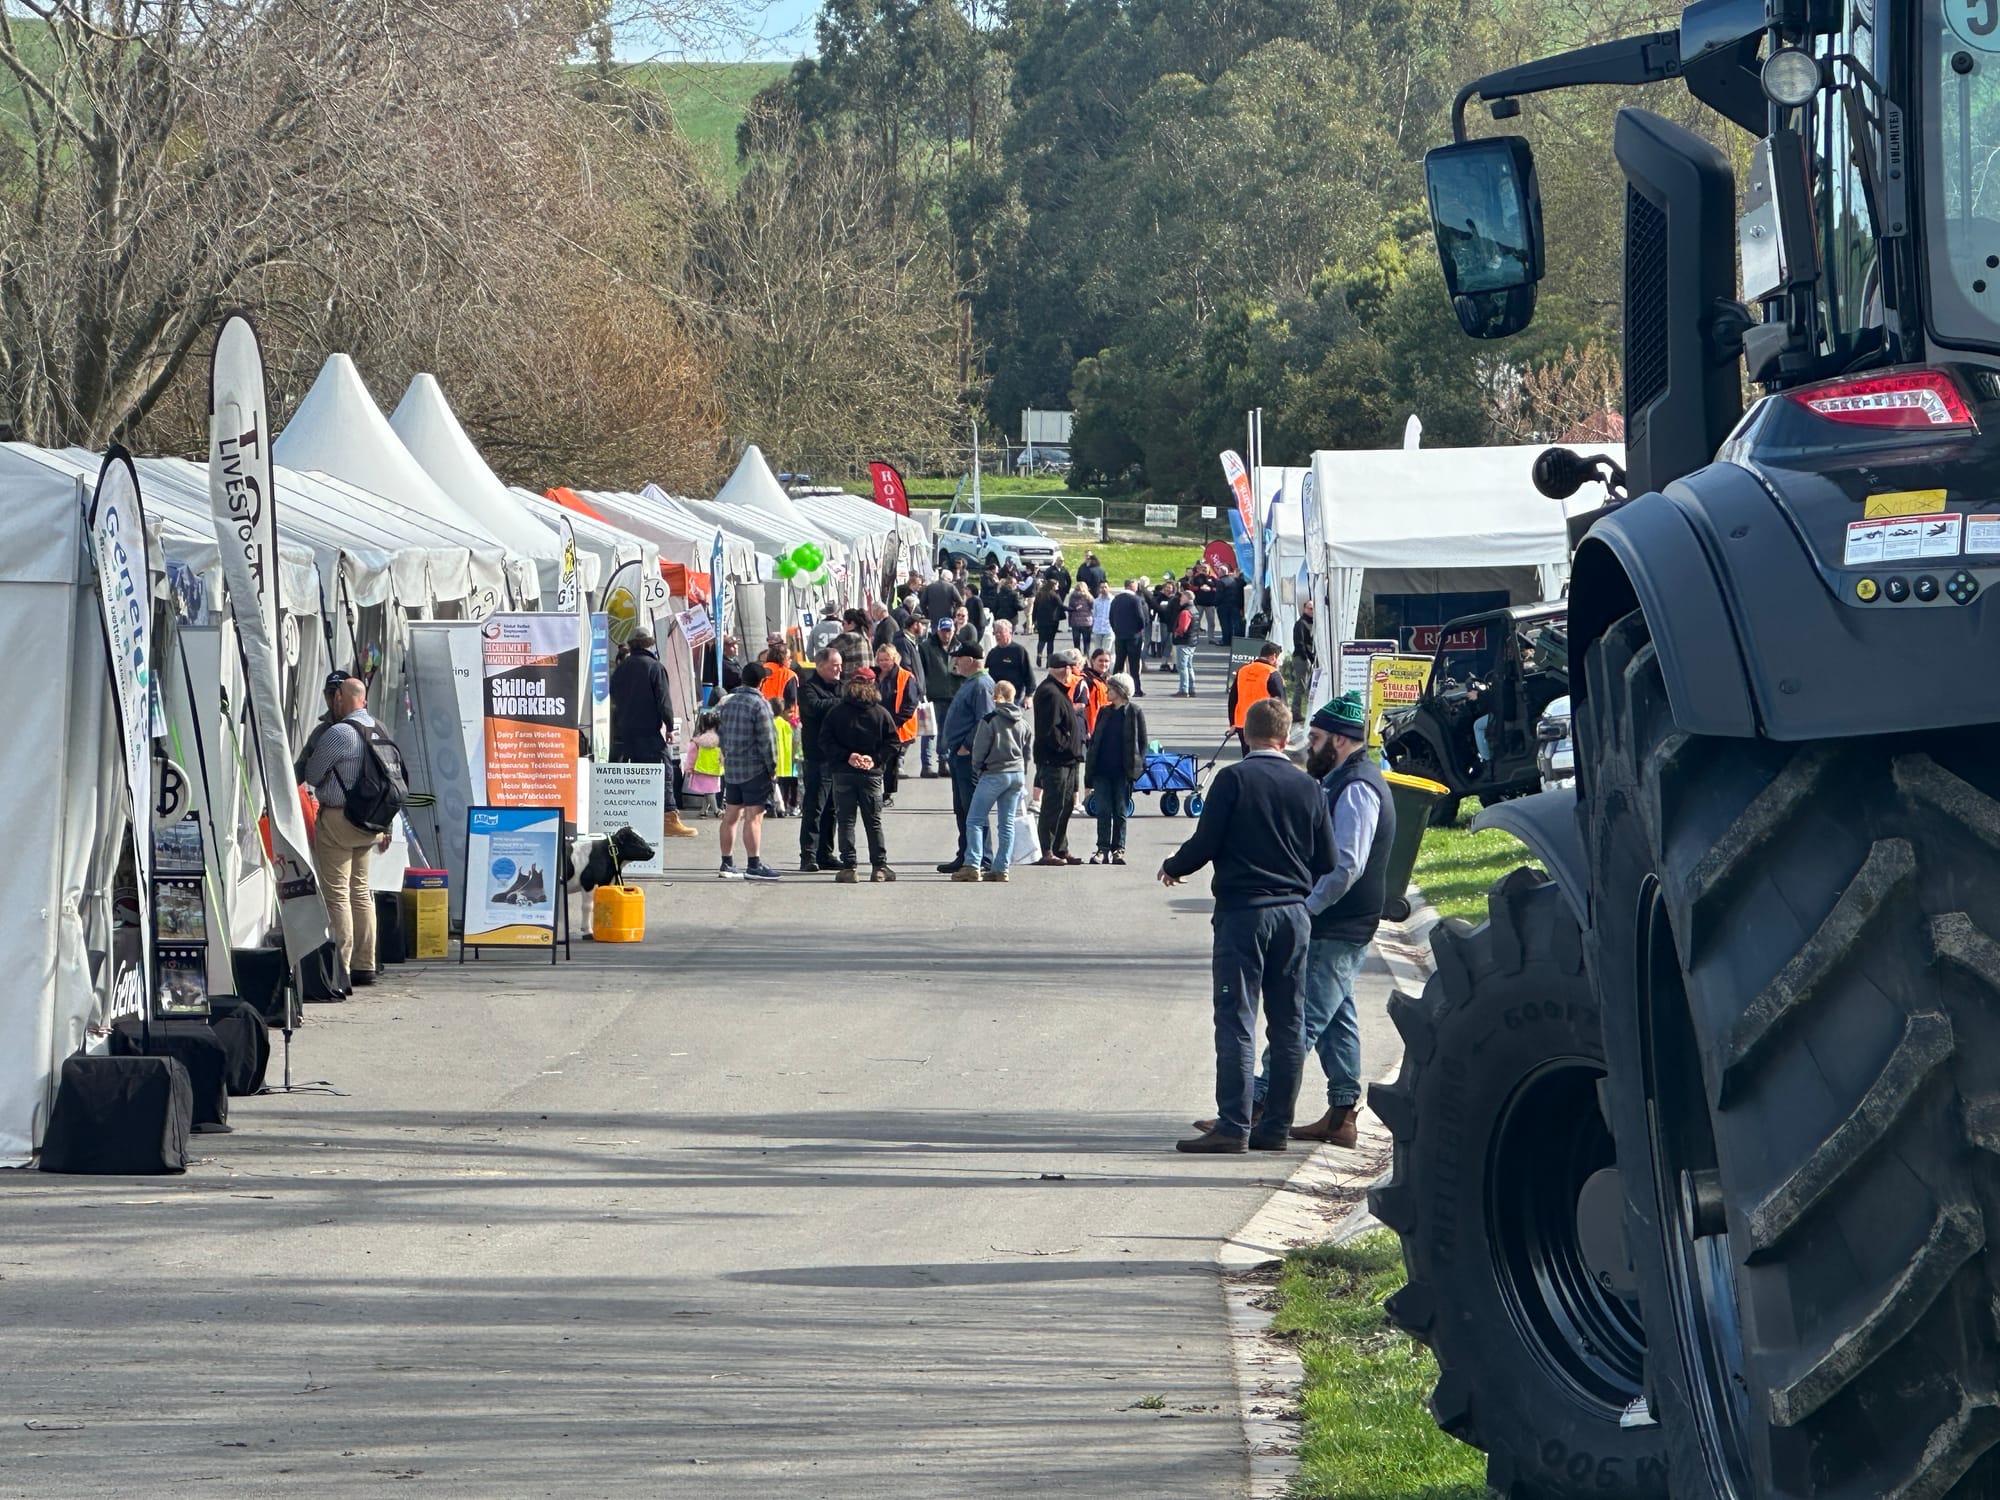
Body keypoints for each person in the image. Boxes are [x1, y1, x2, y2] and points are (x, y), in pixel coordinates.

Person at [1203, 693, 1395, 1147]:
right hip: (1337, 923)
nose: (1308, 745)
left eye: (1316, 737)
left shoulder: (1358, 787)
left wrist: (1305, 910)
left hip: (1336, 922)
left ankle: (1255, 1104)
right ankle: (1342, 1113)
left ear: (1342, 741)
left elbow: (1345, 864)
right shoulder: (1341, 778)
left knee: (1302, 1019)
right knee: (1336, 1017)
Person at [1159, 698, 1335, 1152]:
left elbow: (1207, 840)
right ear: (1286, 736)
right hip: (1294, 914)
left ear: (1246, 735)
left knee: (1237, 1016)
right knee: (1288, 1021)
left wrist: (1174, 866)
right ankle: (1275, 1127)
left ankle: (1233, 1126)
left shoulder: (1233, 779)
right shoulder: (1309, 787)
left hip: (1244, 913)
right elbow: (1328, 859)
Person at [303, 675, 393, 987]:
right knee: (361, 892)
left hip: (339, 821)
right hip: (370, 823)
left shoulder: (340, 732)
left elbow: (312, 775)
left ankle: (340, 966)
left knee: (337, 894)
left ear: (341, 697)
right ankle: (365, 964)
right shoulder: (379, 729)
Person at [608, 629, 698, 839]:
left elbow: (612, 696)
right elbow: (664, 701)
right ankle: (669, 818)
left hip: (623, 731)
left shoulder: (621, 670)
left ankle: (638, 817)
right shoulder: (655, 667)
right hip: (648, 730)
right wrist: (669, 726)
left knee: (635, 775)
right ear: (649, 645)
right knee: (664, 770)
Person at [821, 666, 900, 881]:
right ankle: (880, 867)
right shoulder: (880, 713)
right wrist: (874, 758)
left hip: (843, 772)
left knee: (846, 820)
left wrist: (846, 756)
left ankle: (849, 867)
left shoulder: (836, 712)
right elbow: (893, 742)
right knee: (873, 821)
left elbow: (825, 741)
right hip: (871, 774)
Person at [956, 680, 1030, 883]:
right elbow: (1027, 751)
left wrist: (977, 768)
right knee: (1006, 824)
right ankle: (1001, 868)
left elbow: (979, 749)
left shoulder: (990, 720)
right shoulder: (1023, 722)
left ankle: (972, 864)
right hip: (1017, 774)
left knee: (975, 820)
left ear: (994, 696)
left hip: (994, 773)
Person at [715, 661, 780, 879]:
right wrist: (772, 767)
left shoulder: (728, 703)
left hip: (732, 767)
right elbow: (767, 740)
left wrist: (727, 756)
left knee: (731, 815)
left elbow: (721, 735)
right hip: (754, 769)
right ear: (761, 682)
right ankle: (754, 864)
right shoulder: (759, 704)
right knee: (754, 817)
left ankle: (727, 863)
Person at [937, 640, 996, 873]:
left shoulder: (981, 684)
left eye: (959, 658)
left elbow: (986, 720)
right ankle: (965, 854)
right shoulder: (972, 682)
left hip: (968, 757)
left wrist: (968, 746)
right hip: (959, 755)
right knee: (962, 808)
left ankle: (982, 858)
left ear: (970, 660)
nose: (956, 662)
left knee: (974, 808)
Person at [1032, 650, 1088, 866]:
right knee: (1053, 804)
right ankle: (1046, 849)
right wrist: (1065, 748)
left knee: (1066, 804)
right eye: (1070, 668)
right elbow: (1050, 730)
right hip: (1055, 759)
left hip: (1068, 759)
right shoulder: (1050, 692)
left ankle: (1060, 847)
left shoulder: (1058, 690)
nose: (1072, 672)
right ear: (1065, 669)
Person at [1086, 672, 1146, 864]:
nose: (1107, 691)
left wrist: (1136, 770)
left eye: (1110, 688)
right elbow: (1095, 739)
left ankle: (1118, 849)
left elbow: (1141, 743)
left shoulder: (1135, 712)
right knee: (1103, 810)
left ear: (1120, 691)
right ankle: (1101, 849)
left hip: (1123, 771)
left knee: (1120, 811)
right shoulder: (1105, 711)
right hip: (1102, 770)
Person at [797, 646, 845, 872]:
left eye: (840, 665)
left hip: (838, 758)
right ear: (821, 666)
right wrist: (841, 703)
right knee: (814, 807)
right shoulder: (808, 689)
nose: (839, 669)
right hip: (817, 757)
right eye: (835, 665)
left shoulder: (843, 687)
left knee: (832, 809)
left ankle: (826, 852)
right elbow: (815, 708)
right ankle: (808, 855)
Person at [874, 643, 919, 805]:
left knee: (890, 761)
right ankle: (873, 792)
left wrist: (895, 722)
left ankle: (888, 794)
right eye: (880, 660)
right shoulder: (873, 675)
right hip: (874, 724)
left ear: (894, 659)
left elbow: (911, 703)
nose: (883, 663)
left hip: (896, 726)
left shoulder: (906, 677)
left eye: (887, 659)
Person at [1229, 642, 1287, 751]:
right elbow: (1281, 704)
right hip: (1265, 726)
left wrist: (1232, 723)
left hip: (1243, 724)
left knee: (1247, 757)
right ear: (1273, 656)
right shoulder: (1272, 674)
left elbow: (1233, 699)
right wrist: (1284, 729)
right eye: (1278, 659)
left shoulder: (1243, 671)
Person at [919, 618, 958, 776]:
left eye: (949, 631)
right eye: (943, 631)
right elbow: (921, 671)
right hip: (933, 696)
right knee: (929, 731)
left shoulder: (958, 646)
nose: (946, 635)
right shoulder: (926, 647)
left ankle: (944, 762)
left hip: (952, 696)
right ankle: (926, 765)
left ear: (953, 631)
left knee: (947, 731)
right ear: (938, 631)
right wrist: (922, 693)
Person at [681, 710, 725, 817]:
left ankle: (710, 811)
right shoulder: (721, 741)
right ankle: (711, 811)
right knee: (709, 791)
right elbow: (724, 756)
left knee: (708, 791)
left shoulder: (697, 741)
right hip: (715, 770)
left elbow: (691, 756)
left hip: (701, 769)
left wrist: (689, 768)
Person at [1108, 579, 1148, 691]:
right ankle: (1136, 688)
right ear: (1131, 586)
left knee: (1119, 662)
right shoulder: (1135, 599)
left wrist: (1116, 630)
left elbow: (1111, 617)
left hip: (1120, 635)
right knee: (1133, 664)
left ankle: (1114, 687)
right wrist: (1140, 629)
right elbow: (1140, 617)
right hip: (1134, 635)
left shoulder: (1116, 599)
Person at [985, 619, 1034, 702]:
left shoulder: (1019, 651)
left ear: (1010, 633)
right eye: (996, 632)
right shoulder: (992, 653)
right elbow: (986, 674)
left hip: (1013, 697)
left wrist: (1028, 695)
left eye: (1000, 632)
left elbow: (1028, 674)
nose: (997, 635)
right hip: (995, 697)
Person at [1290, 600, 1317, 721]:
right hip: (1301, 657)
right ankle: (1295, 713)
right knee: (1300, 686)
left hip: (1310, 657)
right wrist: (1307, 658)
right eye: (1310, 608)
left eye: (1313, 609)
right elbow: (1300, 643)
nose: (1312, 611)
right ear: (1304, 609)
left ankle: (1306, 711)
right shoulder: (1301, 623)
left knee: (1308, 686)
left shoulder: (1313, 623)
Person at [1077, 647, 1112, 735]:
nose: (1104, 664)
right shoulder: (1086, 680)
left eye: (1106, 661)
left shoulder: (1106, 679)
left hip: (1104, 726)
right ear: (1092, 661)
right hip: (1090, 728)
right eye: (1100, 660)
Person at [1171, 588, 1199, 697]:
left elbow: (1183, 627)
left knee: (1182, 667)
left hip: (1184, 641)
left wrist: (1177, 633)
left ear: (1187, 598)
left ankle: (1184, 689)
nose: (1180, 599)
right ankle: (1192, 688)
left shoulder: (1185, 612)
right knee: (1189, 666)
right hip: (1192, 641)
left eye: (1182, 597)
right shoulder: (1194, 609)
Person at [1031, 580, 1064, 666]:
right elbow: (1061, 606)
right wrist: (1074, 609)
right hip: (1052, 621)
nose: (1058, 587)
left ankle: (1039, 654)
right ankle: (1049, 660)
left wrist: (1034, 619)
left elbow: (1035, 607)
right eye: (1057, 585)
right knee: (1050, 641)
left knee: (1041, 639)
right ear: (1053, 586)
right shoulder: (1054, 595)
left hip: (1041, 620)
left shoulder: (1040, 594)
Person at [1217, 568, 1247, 646]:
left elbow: (1219, 595)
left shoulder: (1220, 582)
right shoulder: (1235, 580)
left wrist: (1215, 603)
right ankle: (1238, 641)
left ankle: (1226, 640)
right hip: (1234, 605)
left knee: (1225, 624)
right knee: (1236, 623)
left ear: (1221, 572)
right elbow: (1243, 584)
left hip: (1223, 606)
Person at [1067, 584, 1095, 653]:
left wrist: (1070, 622)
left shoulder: (1072, 597)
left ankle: (1078, 657)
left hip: (1075, 622)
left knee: (1076, 644)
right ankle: (1086, 658)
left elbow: (1070, 610)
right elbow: (1093, 608)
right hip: (1087, 622)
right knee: (1086, 643)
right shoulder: (1089, 597)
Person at [1194, 570, 1220, 643]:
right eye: (1202, 568)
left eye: (1205, 568)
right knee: (1196, 621)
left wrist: (1210, 589)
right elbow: (1192, 587)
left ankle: (1211, 638)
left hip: (1210, 604)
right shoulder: (1197, 578)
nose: (1204, 569)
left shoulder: (1213, 578)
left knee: (1211, 622)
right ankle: (1195, 638)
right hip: (1199, 603)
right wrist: (1200, 588)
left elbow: (1217, 588)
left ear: (1209, 569)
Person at [1090, 583, 1114, 657]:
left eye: (1105, 587)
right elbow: (1094, 614)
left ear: (1109, 588)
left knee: (1106, 651)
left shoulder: (1112, 600)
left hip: (1108, 628)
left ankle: (1106, 667)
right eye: (1101, 587)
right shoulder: (1096, 601)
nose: (1103, 589)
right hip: (1097, 629)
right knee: (1097, 651)